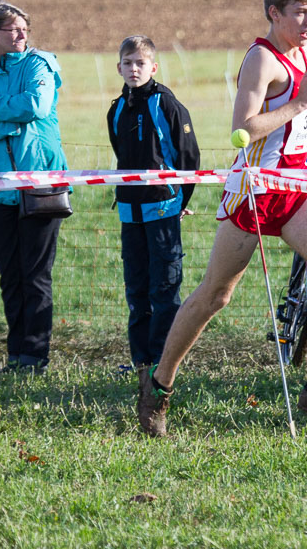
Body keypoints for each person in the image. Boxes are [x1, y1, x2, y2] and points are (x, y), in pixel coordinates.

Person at [137, 0, 307, 437]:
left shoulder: (304, 49)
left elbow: (297, 118)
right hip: (255, 190)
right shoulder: (261, 58)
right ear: (274, 13)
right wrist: (299, 104)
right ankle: (158, 386)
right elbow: (243, 127)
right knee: (215, 296)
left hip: (294, 187)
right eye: (300, 13)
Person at [0, 0, 70, 374]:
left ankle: (35, 357)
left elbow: (36, 105)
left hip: (40, 183)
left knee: (35, 275)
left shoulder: (41, 64)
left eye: (24, 27)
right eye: (11, 29)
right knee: (10, 275)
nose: (20, 34)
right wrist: (8, 123)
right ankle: (15, 355)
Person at [107, 35, 200, 370]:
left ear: (153, 67)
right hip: (130, 215)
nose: (134, 69)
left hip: (162, 212)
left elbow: (189, 158)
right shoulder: (115, 109)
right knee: (137, 290)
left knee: (164, 290)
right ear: (119, 67)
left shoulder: (167, 105)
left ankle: (164, 361)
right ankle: (140, 361)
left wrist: (178, 201)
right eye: (128, 63)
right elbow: (121, 154)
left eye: (140, 63)